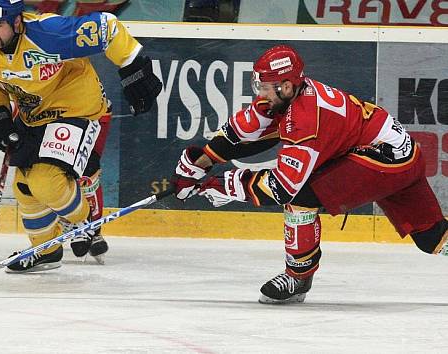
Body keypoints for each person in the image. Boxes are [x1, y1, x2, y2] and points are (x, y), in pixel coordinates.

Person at [171, 44, 448, 304]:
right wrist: (199, 163)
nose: (260, 93)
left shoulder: (304, 121)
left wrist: (215, 186)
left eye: (265, 87)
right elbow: (244, 130)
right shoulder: (289, 96)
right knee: (433, 239)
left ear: (287, 86)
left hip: (384, 162)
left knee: (301, 198)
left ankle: (298, 278)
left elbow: (281, 189)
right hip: (401, 154)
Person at [0, 0, 161, 272]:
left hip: (77, 109)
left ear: (17, 22)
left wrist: (133, 66)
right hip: (33, 116)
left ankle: (83, 223)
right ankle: (46, 249)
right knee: (24, 186)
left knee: (46, 182)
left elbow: (108, 27)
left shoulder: (49, 33)